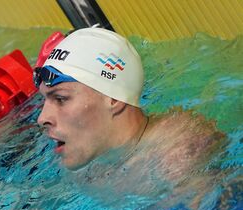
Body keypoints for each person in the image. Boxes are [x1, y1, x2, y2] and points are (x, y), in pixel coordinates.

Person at [34, 28, 225, 197]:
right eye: (44, 100)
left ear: (113, 98)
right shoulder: (88, 164)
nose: (42, 118)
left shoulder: (176, 155)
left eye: (60, 99)